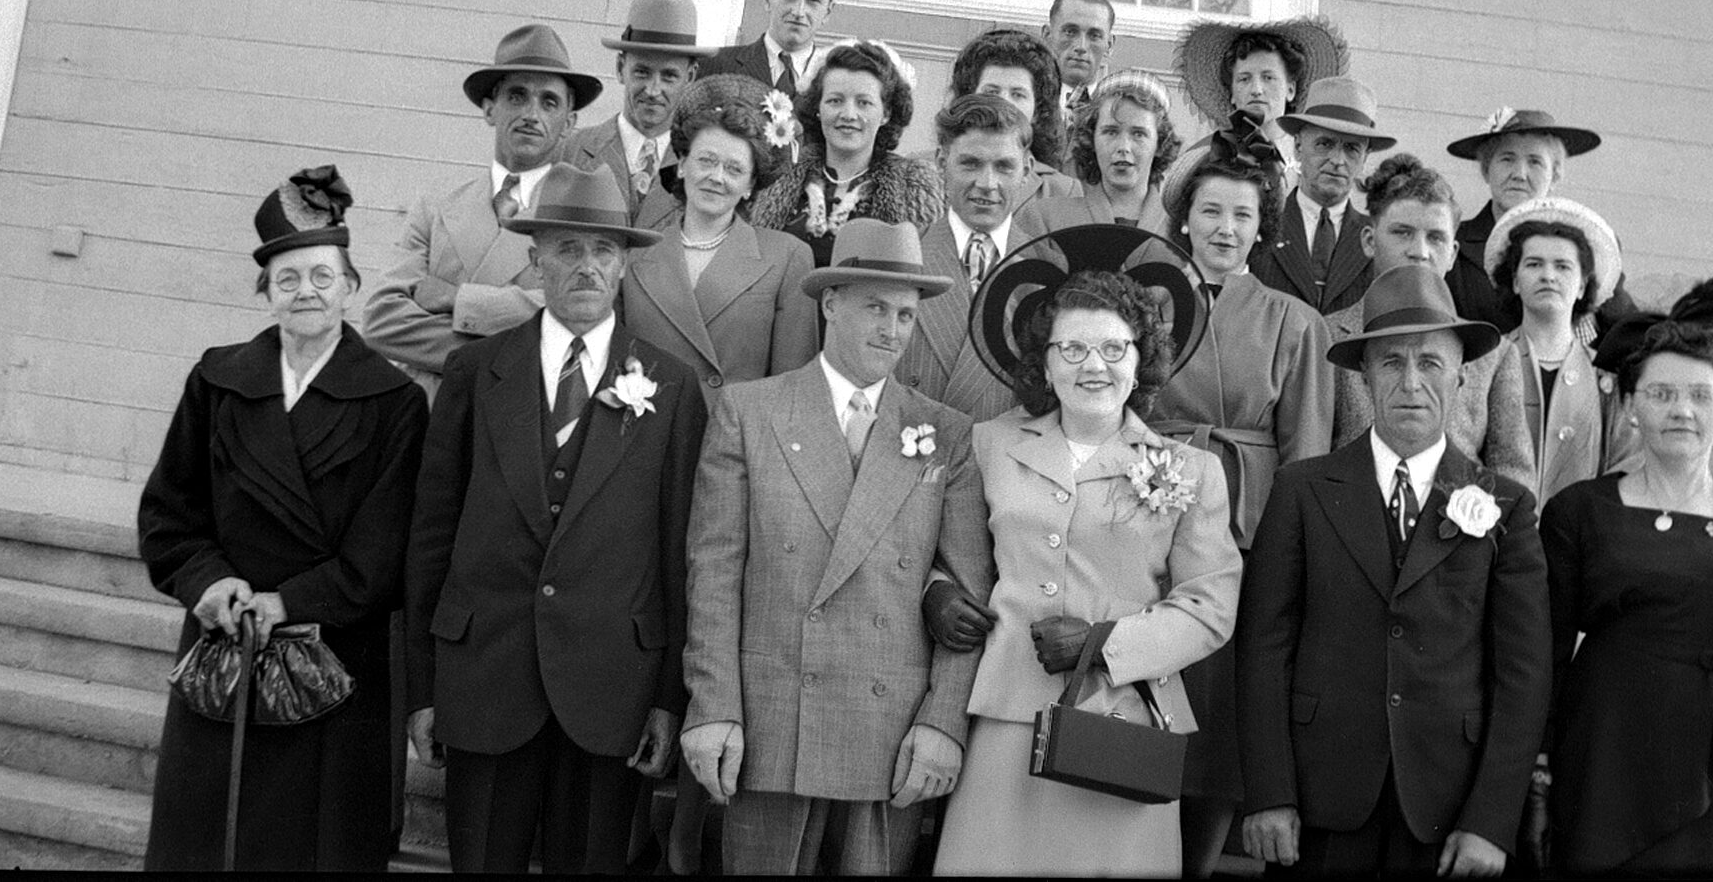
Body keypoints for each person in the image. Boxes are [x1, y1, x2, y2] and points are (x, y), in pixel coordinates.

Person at [403, 162, 708, 873]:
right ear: (535, 257)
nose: (586, 266)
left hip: (610, 693)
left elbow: (679, 553)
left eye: (603, 250)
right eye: (567, 248)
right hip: (483, 679)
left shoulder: (671, 386)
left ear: (626, 264)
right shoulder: (476, 373)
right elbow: (430, 539)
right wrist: (423, 687)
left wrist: (667, 700)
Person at [680, 218, 992, 876]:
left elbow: (970, 598)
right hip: (769, 722)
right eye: (876, 307)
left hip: (890, 734)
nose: (892, 330)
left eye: (907, 315)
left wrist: (942, 724)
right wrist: (713, 708)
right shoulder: (750, 411)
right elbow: (713, 577)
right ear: (830, 303)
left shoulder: (946, 433)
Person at [139, 167, 428, 871]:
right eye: (289, 279)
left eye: (323, 278)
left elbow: (384, 552)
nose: (307, 294)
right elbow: (169, 514)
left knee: (311, 844)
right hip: (224, 641)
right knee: (209, 842)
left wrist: (289, 602)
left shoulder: (393, 401)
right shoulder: (217, 381)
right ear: (265, 292)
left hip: (334, 658)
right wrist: (209, 584)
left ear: (351, 288)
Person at [932, 238, 1242, 877]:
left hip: (1122, 721)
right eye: (1071, 349)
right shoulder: (986, 444)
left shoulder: (1192, 470)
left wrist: (1104, 643)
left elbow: (1209, 605)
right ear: (1044, 365)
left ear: (1140, 361)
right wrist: (938, 592)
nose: (1091, 365)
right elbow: (939, 553)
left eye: (1112, 348)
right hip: (1005, 713)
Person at [1238, 263, 1551, 877]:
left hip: (1445, 807)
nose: (1411, 382)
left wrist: (1490, 821)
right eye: (1391, 363)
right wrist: (1270, 793)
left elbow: (1525, 675)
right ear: (1363, 377)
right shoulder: (1302, 492)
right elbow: (1263, 647)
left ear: (1461, 376)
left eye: (1430, 362)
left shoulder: (1506, 507)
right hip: (1318, 801)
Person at [1543, 293, 1713, 875]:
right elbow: (1544, 653)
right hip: (1606, 751)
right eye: (1661, 394)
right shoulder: (1578, 511)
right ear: (1632, 408)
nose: (1680, 410)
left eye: (1699, 396)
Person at [1152, 153, 1332, 874]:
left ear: (1263, 230)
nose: (1225, 229)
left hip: (1243, 520)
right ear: (1185, 219)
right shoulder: (1147, 300)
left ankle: (1197, 859)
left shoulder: (1295, 319)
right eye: (1211, 212)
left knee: (1219, 703)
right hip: (1151, 499)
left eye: (1243, 216)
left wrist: (1293, 553)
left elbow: (1307, 450)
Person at [364, 23, 603, 398]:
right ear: (490, 108)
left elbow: (574, 319)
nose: (531, 113)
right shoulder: (437, 207)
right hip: (429, 416)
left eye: (549, 102)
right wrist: (517, 344)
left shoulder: (581, 217)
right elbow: (381, 321)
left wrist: (456, 299)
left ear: (569, 123)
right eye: (517, 96)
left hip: (521, 419)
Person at [1329, 154, 1536, 496]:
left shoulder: (1494, 356)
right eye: (1402, 233)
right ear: (1369, 240)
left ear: (1454, 252)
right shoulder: (1324, 336)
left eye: (1436, 238)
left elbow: (1512, 476)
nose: (1420, 251)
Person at [620, 73, 817, 406]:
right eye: (706, 161)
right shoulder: (637, 253)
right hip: (645, 439)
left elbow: (791, 388)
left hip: (731, 444)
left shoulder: (787, 257)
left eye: (734, 169)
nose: (717, 177)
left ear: (752, 184)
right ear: (682, 165)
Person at [1484, 196, 1637, 507]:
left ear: (1582, 285)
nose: (1548, 276)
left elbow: (1625, 471)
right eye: (1534, 264)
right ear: (1514, 281)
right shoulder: (1484, 364)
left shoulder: (1606, 378)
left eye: (1563, 266)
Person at [891, 93, 1034, 423]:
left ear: (1025, 169)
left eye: (1004, 166)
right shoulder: (902, 257)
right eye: (970, 164)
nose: (987, 184)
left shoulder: (1048, 269)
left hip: (1002, 465)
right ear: (941, 162)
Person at [1442, 107, 1636, 337]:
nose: (1520, 174)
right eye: (1507, 159)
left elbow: (1626, 332)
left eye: (1535, 162)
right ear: (1486, 170)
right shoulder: (1452, 242)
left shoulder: (1589, 242)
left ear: (1554, 176)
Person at [750, 39, 942, 270]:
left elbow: (925, 271)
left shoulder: (913, 186)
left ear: (886, 113)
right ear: (818, 108)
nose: (849, 114)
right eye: (835, 101)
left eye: (864, 103)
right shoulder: (780, 173)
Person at [560, 0, 715, 224]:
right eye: (642, 72)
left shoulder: (704, 164)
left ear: (690, 76)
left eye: (669, 76)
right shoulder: (571, 152)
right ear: (621, 68)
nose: (653, 90)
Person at [1248, 76, 1394, 315]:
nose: (1337, 161)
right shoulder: (1260, 225)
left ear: (1365, 158)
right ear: (1297, 146)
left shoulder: (1378, 240)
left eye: (1351, 148)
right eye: (1324, 144)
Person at [1170, 15, 1348, 198]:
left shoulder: (1315, 159)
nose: (1256, 90)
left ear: (1290, 90)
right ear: (1231, 93)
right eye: (1244, 79)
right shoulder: (1209, 155)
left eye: (1268, 78)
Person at [1016, 69, 1179, 236]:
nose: (1123, 147)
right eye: (1111, 132)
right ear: (1091, 137)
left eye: (1138, 134)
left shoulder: (1182, 225)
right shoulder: (1045, 219)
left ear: (1160, 143)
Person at [946, 27, 1084, 207]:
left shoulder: (1062, 190)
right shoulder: (926, 171)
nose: (1004, 104)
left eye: (1018, 94)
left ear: (1038, 109)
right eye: (992, 92)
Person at [701, 0, 836, 96]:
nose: (799, 12)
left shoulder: (836, 81)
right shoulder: (714, 67)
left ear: (828, 12)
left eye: (813, 0)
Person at [1042, 0, 1117, 139]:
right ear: (1047, 35)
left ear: (1109, 45)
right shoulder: (1024, 102)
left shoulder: (1119, 114)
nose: (1081, 46)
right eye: (1070, 32)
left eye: (1094, 36)